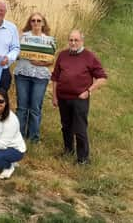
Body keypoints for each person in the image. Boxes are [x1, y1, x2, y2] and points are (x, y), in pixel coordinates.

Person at [51, 30, 107, 165]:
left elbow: (102, 78)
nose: (73, 43)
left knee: (80, 128)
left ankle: (83, 159)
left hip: (80, 98)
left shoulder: (89, 56)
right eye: (71, 40)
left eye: (76, 40)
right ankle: (68, 150)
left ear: (82, 41)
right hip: (63, 97)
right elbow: (55, 77)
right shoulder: (62, 55)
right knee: (66, 126)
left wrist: (89, 91)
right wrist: (54, 96)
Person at [14, 12, 53, 142]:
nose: (36, 23)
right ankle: (19, 136)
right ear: (29, 23)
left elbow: (51, 60)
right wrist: (20, 54)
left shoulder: (48, 40)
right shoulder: (22, 38)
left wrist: (40, 62)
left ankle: (33, 138)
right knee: (22, 107)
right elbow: (16, 54)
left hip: (40, 77)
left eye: (38, 20)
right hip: (23, 74)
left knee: (35, 107)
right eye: (33, 20)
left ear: (43, 23)